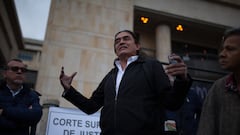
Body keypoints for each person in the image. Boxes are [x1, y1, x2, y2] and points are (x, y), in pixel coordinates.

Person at [60, 30, 192, 135]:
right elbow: (91, 106)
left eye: (126, 38)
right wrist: (69, 90)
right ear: (115, 50)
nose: (121, 42)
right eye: (117, 41)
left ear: (137, 46)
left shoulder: (151, 66)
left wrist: (182, 80)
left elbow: (171, 102)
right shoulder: (110, 76)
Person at [197, 27, 240, 135]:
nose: (222, 54)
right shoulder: (219, 88)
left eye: (230, 49)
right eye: (223, 49)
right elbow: (206, 128)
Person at [0, 59, 42, 135]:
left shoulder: (32, 95)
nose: (19, 72)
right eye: (15, 69)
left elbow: (35, 116)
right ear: (5, 73)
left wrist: (4, 112)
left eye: (23, 70)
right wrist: (23, 119)